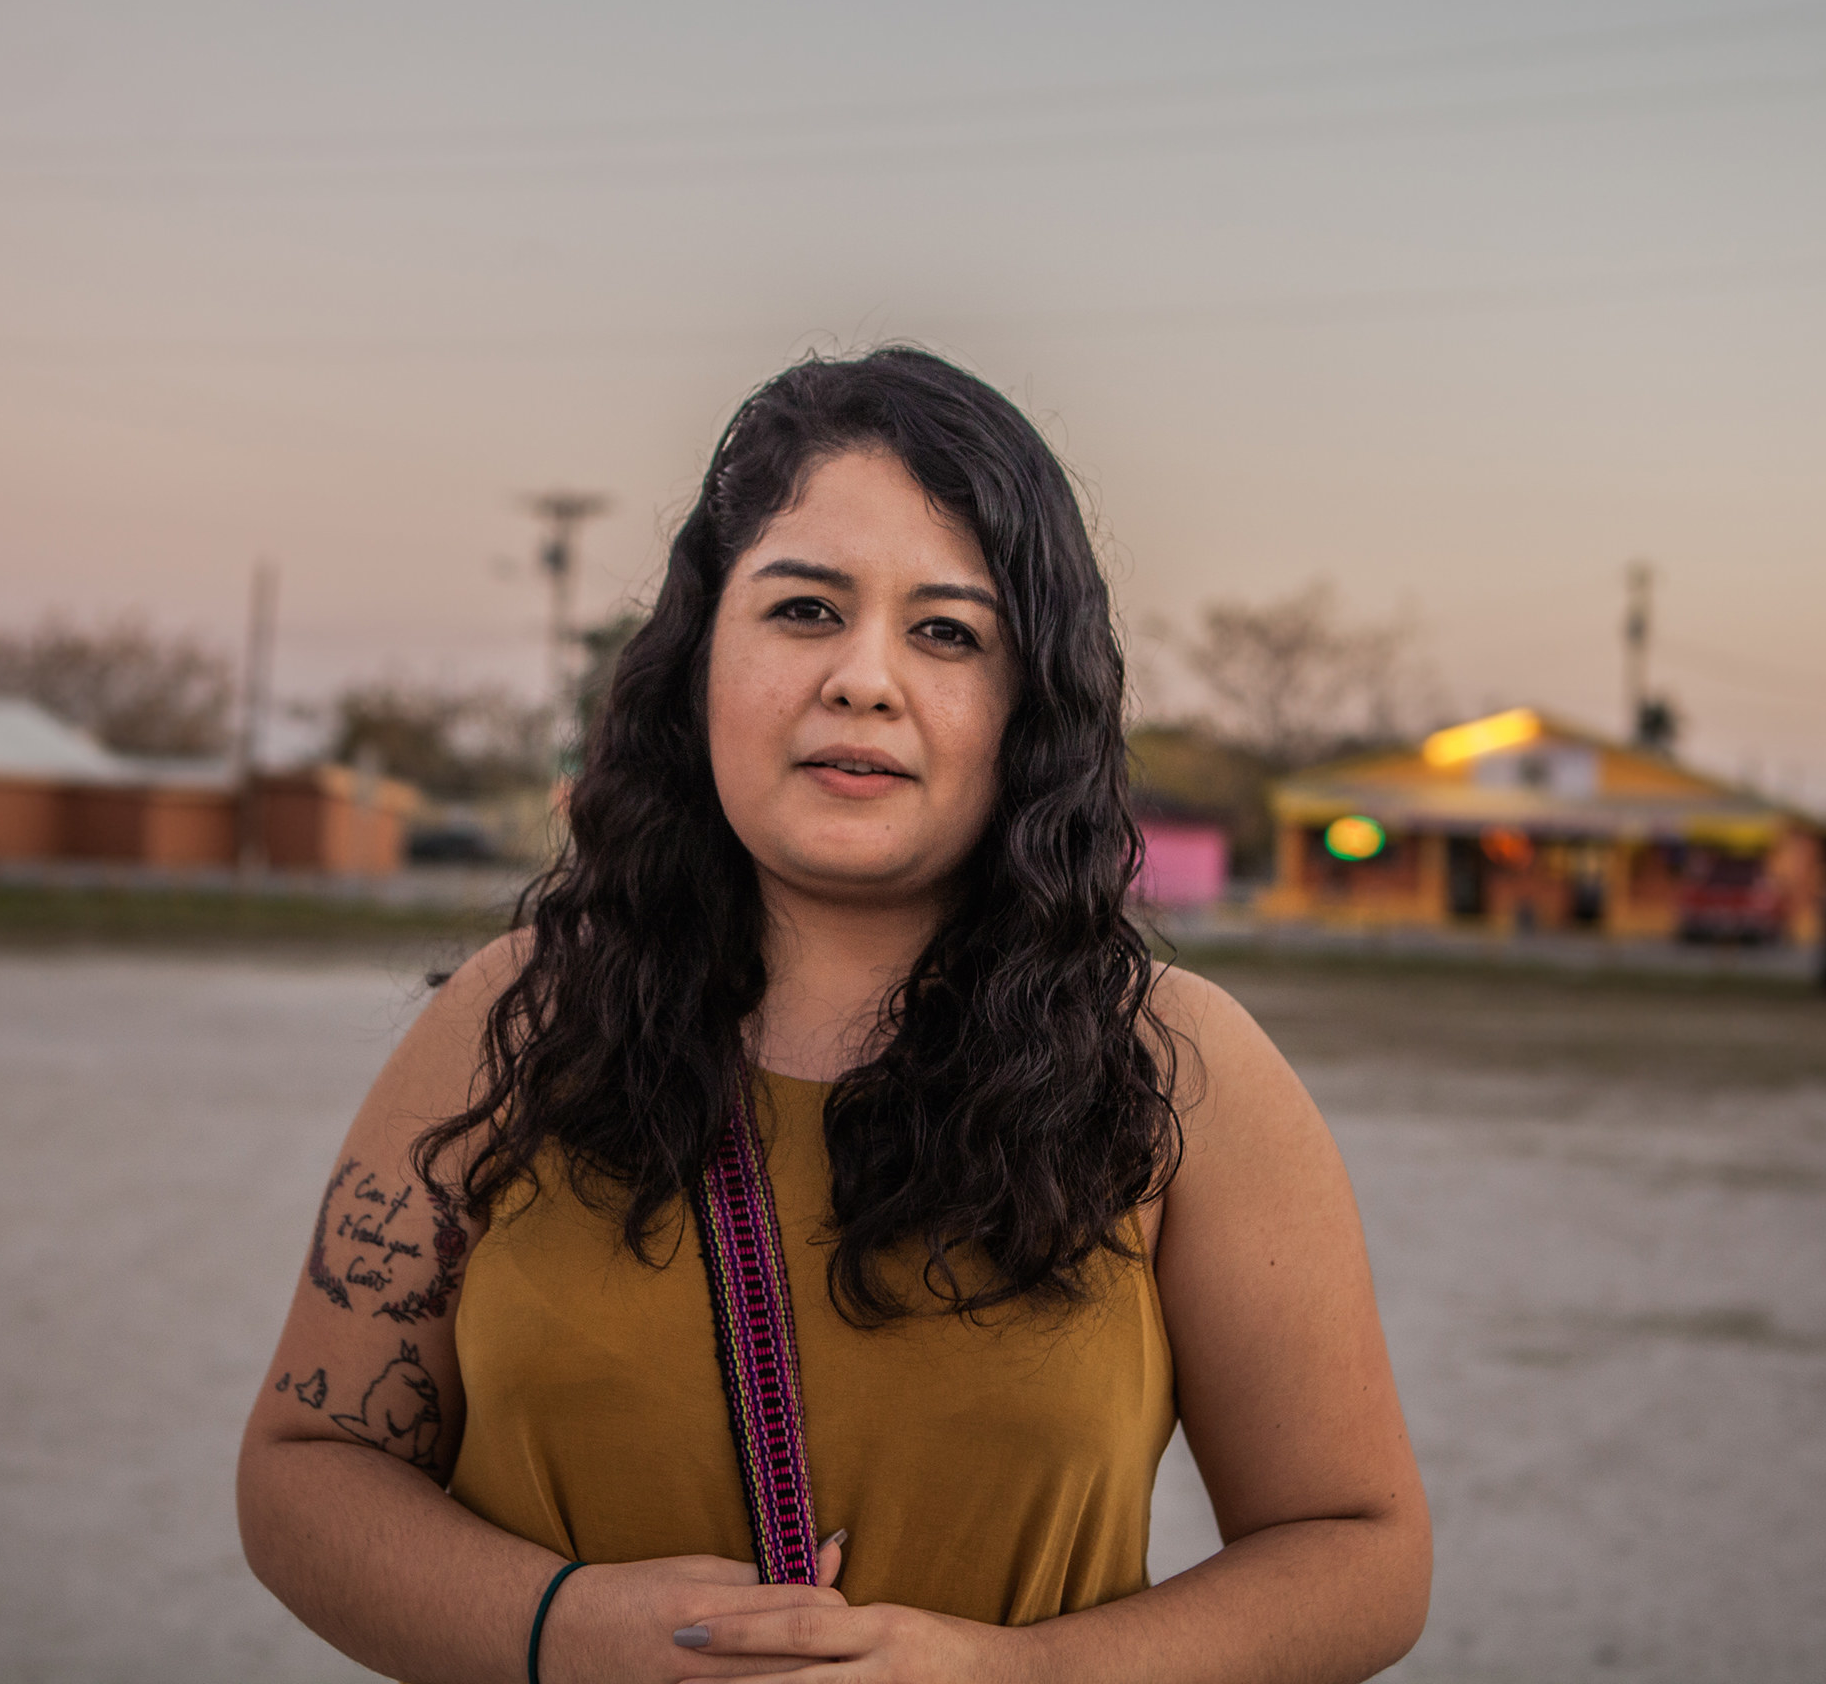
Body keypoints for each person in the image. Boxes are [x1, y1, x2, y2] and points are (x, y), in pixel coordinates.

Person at [236, 347, 1430, 1683]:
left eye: (947, 632)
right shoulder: (513, 1024)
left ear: (1027, 707)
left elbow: (1359, 1550)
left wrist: (1018, 1679)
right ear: (700, 661)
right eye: (804, 610)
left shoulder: (1177, 1069)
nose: (866, 679)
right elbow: (308, 1469)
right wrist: (561, 1635)